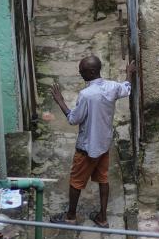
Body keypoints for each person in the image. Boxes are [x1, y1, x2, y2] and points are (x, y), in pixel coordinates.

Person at [50, 55, 136, 227]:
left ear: (90, 72)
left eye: (81, 71)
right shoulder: (112, 87)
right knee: (103, 179)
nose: (80, 73)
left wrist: (61, 102)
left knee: (76, 182)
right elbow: (127, 88)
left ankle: (70, 217)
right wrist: (129, 73)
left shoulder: (86, 95)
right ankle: (102, 218)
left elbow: (74, 119)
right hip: (104, 145)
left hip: (87, 148)